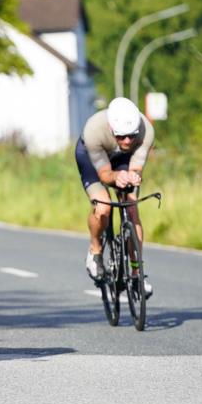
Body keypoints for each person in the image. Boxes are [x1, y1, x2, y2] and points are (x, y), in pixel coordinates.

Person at [75, 97, 155, 297]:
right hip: (92, 158)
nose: (127, 141)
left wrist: (132, 176)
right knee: (103, 207)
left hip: (123, 159)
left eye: (131, 136)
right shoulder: (93, 130)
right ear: (112, 129)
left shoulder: (146, 131)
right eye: (121, 136)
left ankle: (137, 274)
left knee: (131, 208)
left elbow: (136, 167)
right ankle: (95, 251)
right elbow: (104, 175)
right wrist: (116, 177)